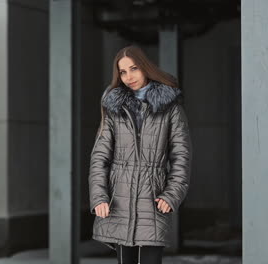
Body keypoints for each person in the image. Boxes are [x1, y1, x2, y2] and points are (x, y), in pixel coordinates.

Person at [88, 45, 192, 264]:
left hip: (152, 202)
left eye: (133, 68)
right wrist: (99, 196)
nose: (128, 77)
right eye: (123, 72)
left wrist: (171, 194)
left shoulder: (170, 108)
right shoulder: (114, 108)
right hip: (119, 202)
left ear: (145, 68)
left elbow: (181, 156)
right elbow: (100, 157)